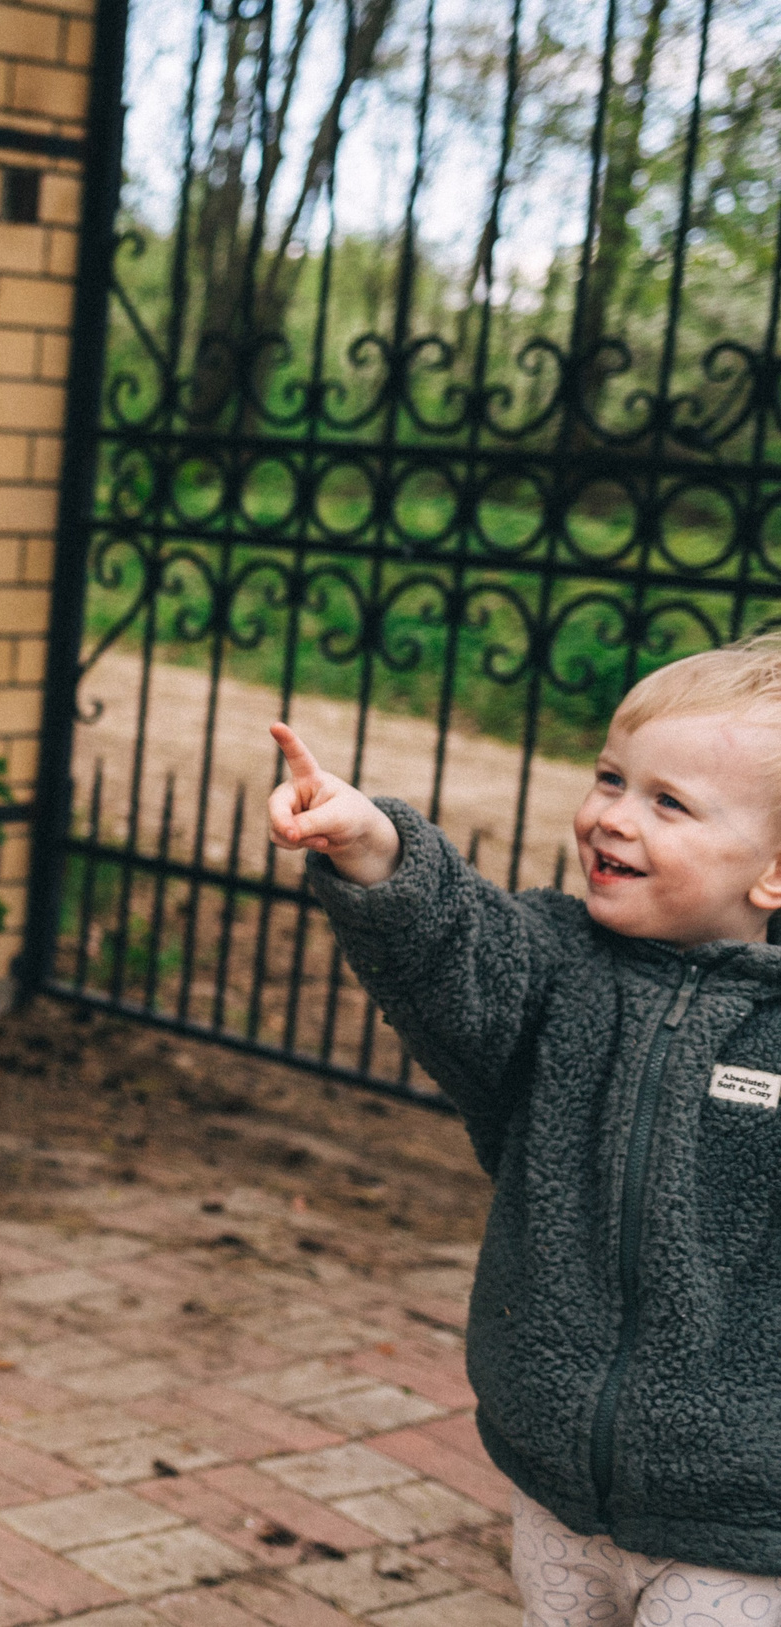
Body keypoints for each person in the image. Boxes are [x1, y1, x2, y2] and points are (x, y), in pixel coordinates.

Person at [266, 635, 781, 1627]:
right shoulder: (553, 969)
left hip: (742, 1520)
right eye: (610, 779)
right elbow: (450, 951)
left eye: (667, 803)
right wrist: (374, 849)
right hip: (552, 1483)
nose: (610, 818)